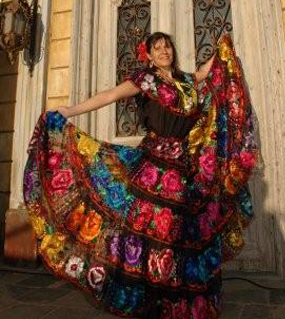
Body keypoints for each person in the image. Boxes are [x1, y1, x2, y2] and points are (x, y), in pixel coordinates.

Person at [24, 32, 258, 318]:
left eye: (167, 46)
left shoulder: (186, 81)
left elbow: (207, 71)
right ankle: (151, 303)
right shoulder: (144, 81)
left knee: (181, 238)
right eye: (157, 48)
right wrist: (69, 110)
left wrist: (223, 43)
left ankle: (179, 306)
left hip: (184, 171)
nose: (163, 51)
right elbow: (109, 95)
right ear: (148, 55)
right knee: (153, 237)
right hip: (153, 171)